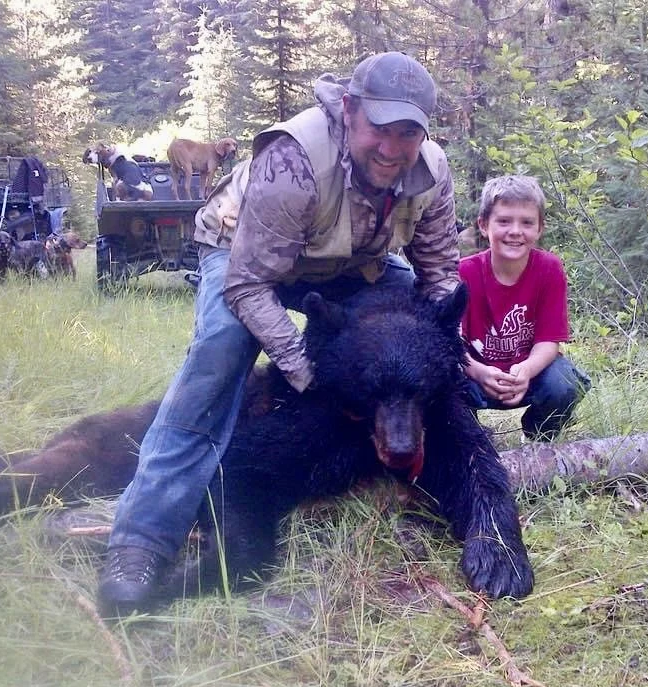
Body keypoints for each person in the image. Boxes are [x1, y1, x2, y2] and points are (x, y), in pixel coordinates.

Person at [97, 52, 460, 618]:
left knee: (405, 318)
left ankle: (431, 458)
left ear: (424, 132)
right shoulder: (294, 157)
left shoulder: (431, 171)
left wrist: (449, 353)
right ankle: (141, 541)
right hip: (243, 256)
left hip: (346, 263)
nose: (392, 148)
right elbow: (248, 284)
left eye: (408, 133)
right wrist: (305, 368)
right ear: (349, 110)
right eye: (380, 129)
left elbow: (438, 278)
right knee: (221, 355)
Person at [460, 175, 590, 441]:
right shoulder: (464, 272)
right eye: (504, 221)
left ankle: (539, 435)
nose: (515, 231)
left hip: (528, 373)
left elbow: (549, 342)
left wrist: (527, 370)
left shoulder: (549, 269)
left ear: (540, 228)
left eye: (527, 222)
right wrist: (478, 372)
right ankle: (469, 439)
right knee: (438, 380)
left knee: (565, 383)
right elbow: (450, 344)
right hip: (474, 374)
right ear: (483, 225)